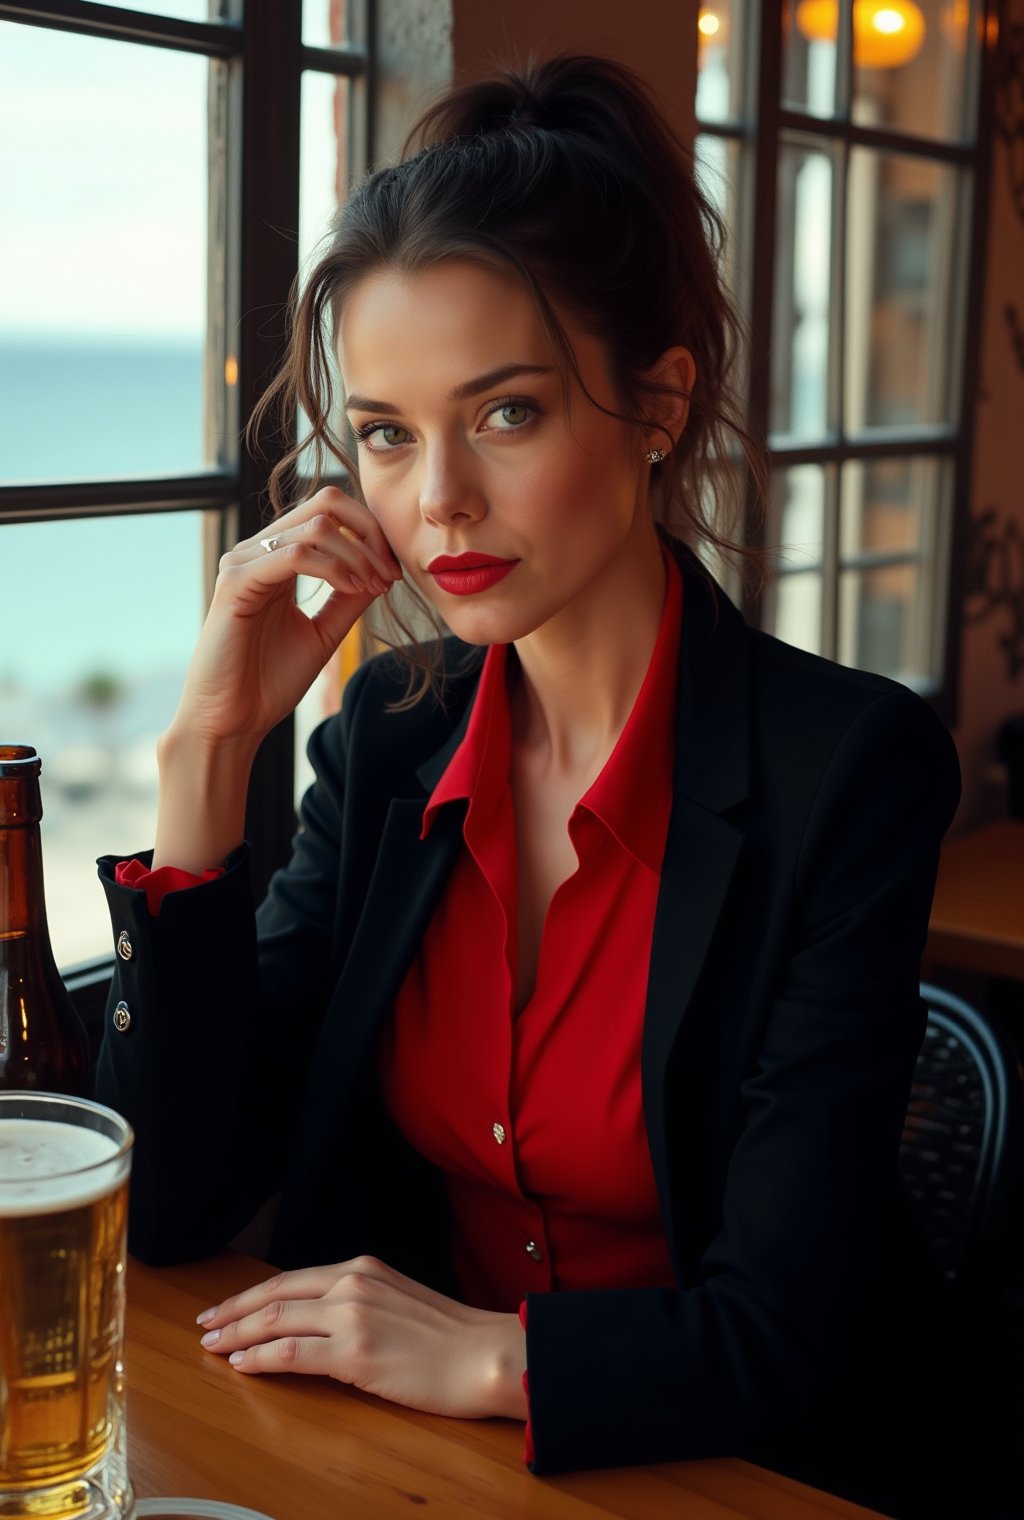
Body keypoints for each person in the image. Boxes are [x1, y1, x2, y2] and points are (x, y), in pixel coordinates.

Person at [96, 54, 976, 1518]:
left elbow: (791, 1337)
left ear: (658, 405)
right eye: (384, 432)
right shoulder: (388, 734)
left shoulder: (852, 774)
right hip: (423, 1472)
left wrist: (491, 1357)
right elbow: (175, 1198)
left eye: (503, 413)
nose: (435, 497)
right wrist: (206, 750)